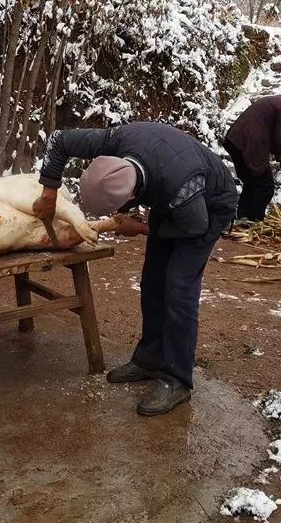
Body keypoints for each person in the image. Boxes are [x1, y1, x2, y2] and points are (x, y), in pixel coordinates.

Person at [32, 123, 237, 416]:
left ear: (131, 198)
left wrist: (141, 228)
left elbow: (195, 226)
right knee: (153, 281)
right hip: (172, 192)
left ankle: (177, 378)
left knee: (178, 288)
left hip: (207, 205)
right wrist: (49, 191)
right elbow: (59, 139)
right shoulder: (116, 140)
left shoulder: (180, 187)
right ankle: (150, 358)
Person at [223, 91, 281, 221]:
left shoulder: (276, 100)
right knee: (266, 186)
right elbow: (279, 137)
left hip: (235, 140)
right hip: (251, 144)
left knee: (251, 182)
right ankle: (255, 220)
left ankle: (243, 219)